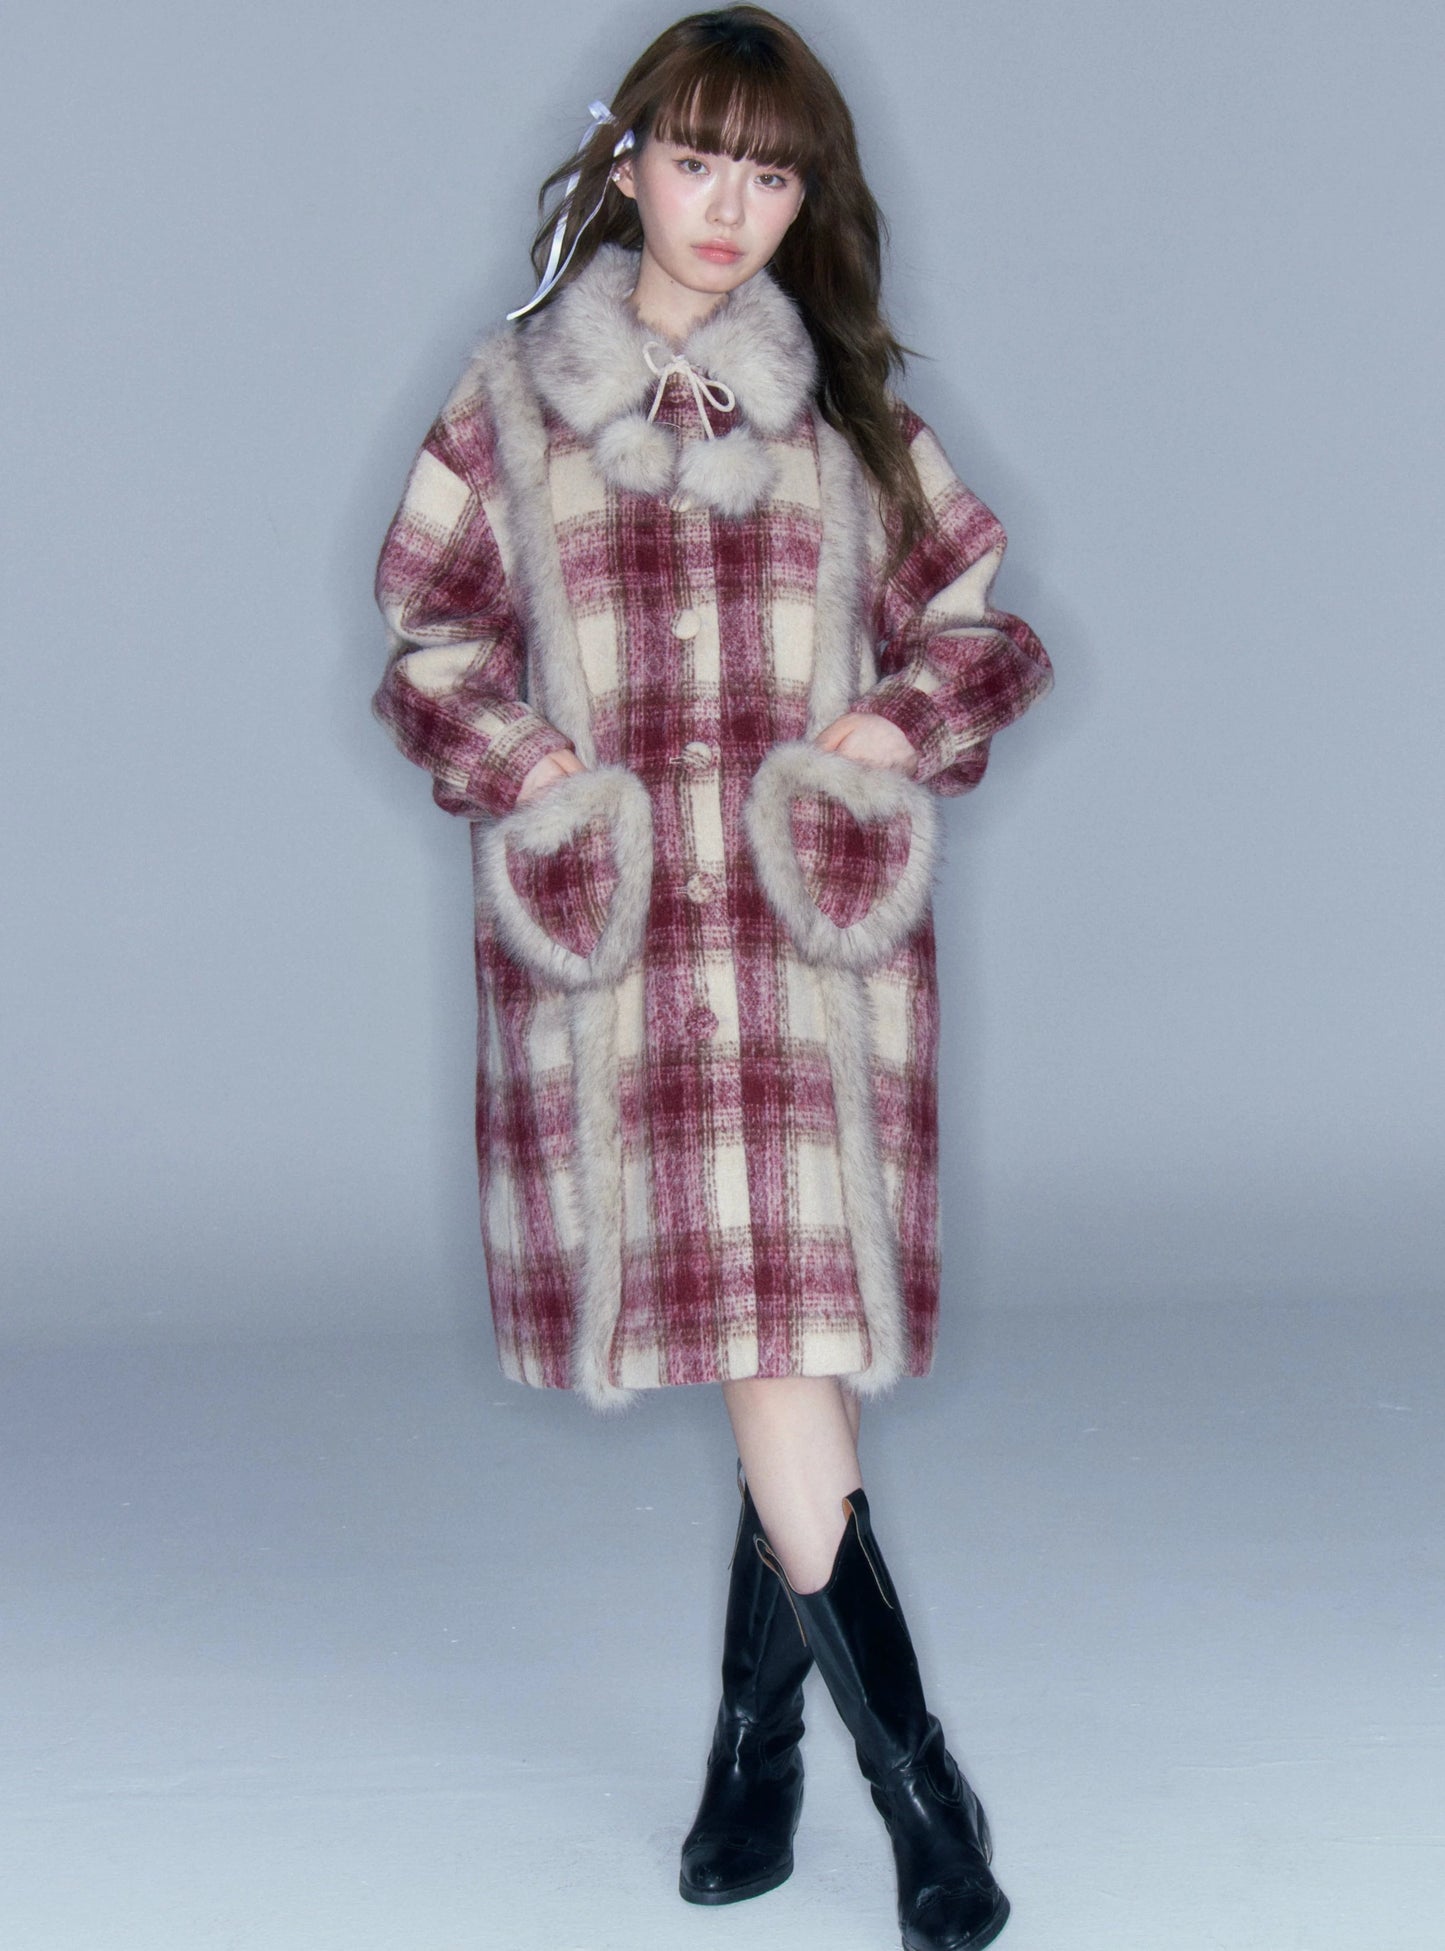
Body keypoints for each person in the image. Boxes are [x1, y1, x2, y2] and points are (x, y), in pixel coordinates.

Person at [370, 9, 1052, 1947]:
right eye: (698, 161)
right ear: (629, 165)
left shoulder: (842, 414)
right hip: (617, 959)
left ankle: (852, 1776)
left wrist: (887, 733)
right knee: (782, 1354)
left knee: (780, 1347)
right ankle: (858, 1775)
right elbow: (428, 645)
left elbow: (982, 632)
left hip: (813, 951)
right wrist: (543, 778)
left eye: (771, 172)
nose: (731, 206)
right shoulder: (507, 406)